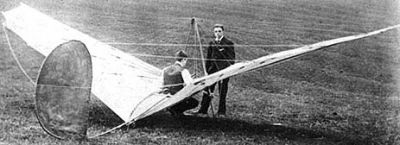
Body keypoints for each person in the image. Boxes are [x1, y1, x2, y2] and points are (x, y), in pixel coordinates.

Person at [197, 24, 235, 116]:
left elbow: (232, 60)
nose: (217, 33)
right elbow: (208, 58)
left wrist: (224, 69)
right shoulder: (212, 43)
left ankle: (221, 112)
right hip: (212, 71)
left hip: (223, 72)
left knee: (222, 91)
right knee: (208, 89)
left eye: (219, 31)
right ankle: (203, 110)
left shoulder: (228, 43)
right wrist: (207, 70)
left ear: (223, 32)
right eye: (215, 31)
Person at [162, 50, 199, 116]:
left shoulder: (165, 69)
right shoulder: (184, 71)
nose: (185, 62)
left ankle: (173, 108)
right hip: (179, 97)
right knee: (194, 102)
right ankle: (177, 109)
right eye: (186, 60)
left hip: (167, 96)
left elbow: (163, 83)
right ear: (184, 59)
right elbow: (190, 85)